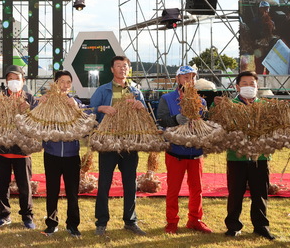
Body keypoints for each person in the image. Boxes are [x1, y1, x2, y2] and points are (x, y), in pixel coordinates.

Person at [89, 55, 147, 236]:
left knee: (130, 183)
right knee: (104, 182)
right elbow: (90, 110)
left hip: (129, 143)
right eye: (119, 66)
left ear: (129, 69)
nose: (123, 69)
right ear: (112, 69)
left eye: (126, 66)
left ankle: (130, 221)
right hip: (108, 143)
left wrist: (140, 106)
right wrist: (101, 108)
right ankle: (101, 222)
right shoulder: (103, 90)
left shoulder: (136, 91)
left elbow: (145, 114)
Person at [156, 66, 212, 234]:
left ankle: (195, 220)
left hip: (196, 152)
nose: (189, 80)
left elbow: (206, 121)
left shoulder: (201, 101)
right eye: (185, 77)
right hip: (175, 152)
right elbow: (161, 120)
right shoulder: (167, 98)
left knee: (197, 189)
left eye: (192, 77)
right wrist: (175, 119)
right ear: (177, 79)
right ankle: (172, 221)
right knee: (173, 189)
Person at [0, 65, 37, 229]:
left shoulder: (29, 99)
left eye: (17, 78)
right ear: (6, 81)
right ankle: (3, 215)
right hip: (1, 150)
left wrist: (29, 112)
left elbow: (38, 122)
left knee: (25, 186)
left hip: (22, 151)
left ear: (23, 80)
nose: (13, 82)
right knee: (2, 185)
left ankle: (27, 217)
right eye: (10, 79)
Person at [224, 71, 274, 240]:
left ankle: (261, 226)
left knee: (260, 193)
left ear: (257, 86)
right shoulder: (229, 106)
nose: (248, 86)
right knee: (235, 192)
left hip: (259, 157)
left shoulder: (265, 107)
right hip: (236, 157)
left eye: (251, 83)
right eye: (244, 83)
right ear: (237, 87)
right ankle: (233, 226)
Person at [42, 70, 84, 238]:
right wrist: (42, 103)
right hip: (51, 154)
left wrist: (75, 106)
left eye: (68, 82)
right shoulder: (48, 103)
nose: (65, 85)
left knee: (72, 192)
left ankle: (73, 225)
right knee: (52, 191)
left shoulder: (76, 102)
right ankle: (51, 224)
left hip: (72, 155)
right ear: (55, 83)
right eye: (61, 81)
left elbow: (84, 121)